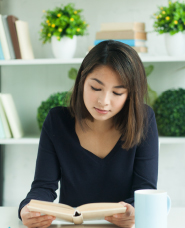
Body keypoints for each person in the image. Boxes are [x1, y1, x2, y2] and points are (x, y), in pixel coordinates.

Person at [19, 40, 158, 228]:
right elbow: (43, 188)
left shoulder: (144, 119)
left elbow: (145, 190)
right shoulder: (57, 121)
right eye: (95, 88)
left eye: (117, 93)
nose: (104, 101)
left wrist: (135, 211)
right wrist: (27, 210)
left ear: (130, 94)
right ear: (82, 80)